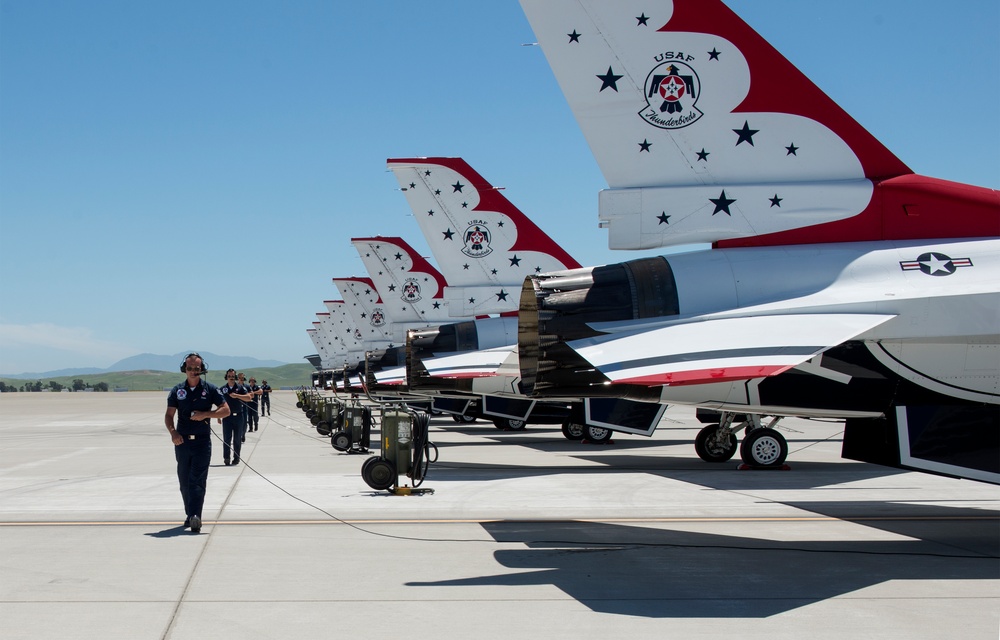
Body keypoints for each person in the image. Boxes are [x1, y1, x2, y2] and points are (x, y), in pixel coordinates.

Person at [165, 353, 229, 533]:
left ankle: (196, 516)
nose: (193, 371)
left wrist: (206, 414)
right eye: (190, 368)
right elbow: (169, 415)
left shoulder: (210, 389)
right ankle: (190, 513)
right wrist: (173, 432)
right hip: (182, 442)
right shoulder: (177, 391)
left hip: (202, 442)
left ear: (202, 369)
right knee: (184, 482)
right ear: (184, 369)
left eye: (197, 368)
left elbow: (225, 410)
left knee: (197, 481)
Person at [220, 369, 252, 465]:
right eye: (229, 376)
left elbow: (249, 397)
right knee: (227, 438)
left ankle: (236, 458)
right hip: (227, 417)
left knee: (237, 438)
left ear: (235, 376)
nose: (231, 377)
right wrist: (218, 415)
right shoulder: (222, 389)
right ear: (227, 376)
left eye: (233, 376)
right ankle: (226, 458)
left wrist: (237, 396)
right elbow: (219, 402)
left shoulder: (240, 387)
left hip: (238, 416)